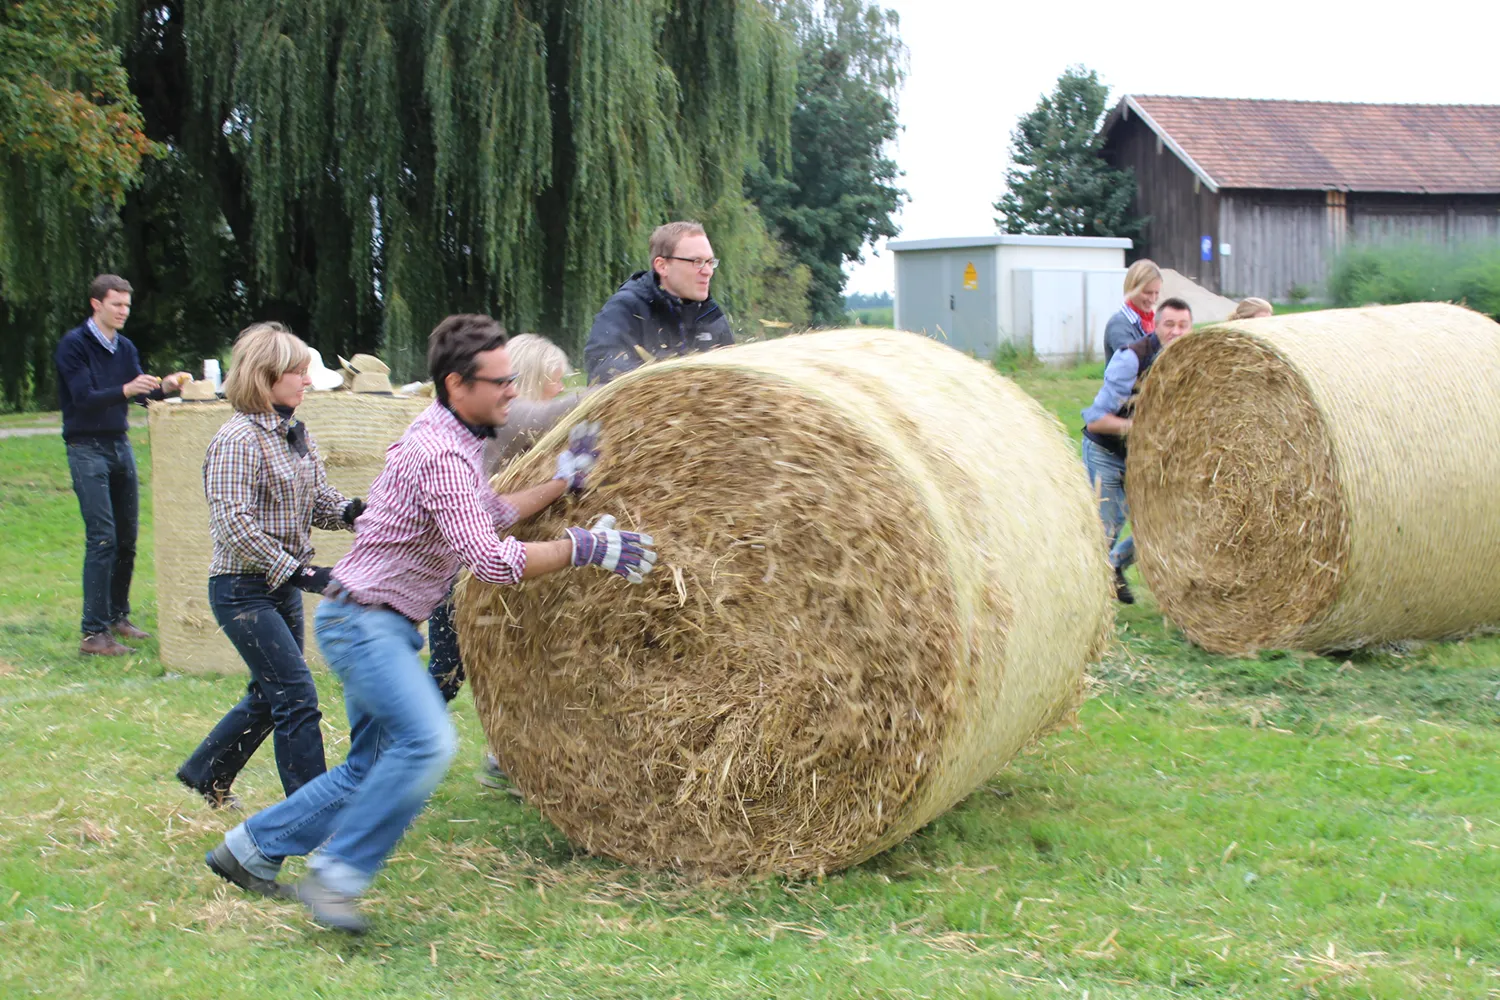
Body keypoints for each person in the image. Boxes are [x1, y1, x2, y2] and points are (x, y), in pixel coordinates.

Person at [206, 314, 656, 933]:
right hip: (364, 624)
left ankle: (249, 848)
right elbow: (491, 561)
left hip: (373, 621)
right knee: (429, 742)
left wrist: (559, 484)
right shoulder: (442, 451)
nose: (511, 393)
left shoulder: (455, 442)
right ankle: (337, 875)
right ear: (456, 384)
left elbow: (490, 512)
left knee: (369, 765)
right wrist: (585, 548)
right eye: (499, 382)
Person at [176, 323, 364, 810]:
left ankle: (205, 773)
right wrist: (304, 574)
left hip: (278, 587)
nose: (307, 381)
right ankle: (313, 811)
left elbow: (317, 500)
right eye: (299, 373)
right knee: (296, 696)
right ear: (266, 377)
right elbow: (234, 526)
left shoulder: (295, 432)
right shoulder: (236, 440)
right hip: (241, 591)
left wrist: (352, 512)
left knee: (270, 694)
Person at [425, 332, 592, 792]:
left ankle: (506, 758)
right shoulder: (511, 419)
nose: (560, 389)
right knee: (448, 668)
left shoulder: (505, 425)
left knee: (516, 661)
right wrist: (639, 384)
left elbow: (506, 506)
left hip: (492, 567)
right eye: (556, 381)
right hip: (463, 572)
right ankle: (385, 754)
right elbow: (554, 414)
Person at [55, 274, 193, 656]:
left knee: (127, 540)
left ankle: (118, 617)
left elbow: (140, 397)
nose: (123, 312)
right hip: (86, 448)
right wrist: (125, 390)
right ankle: (92, 635)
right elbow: (82, 398)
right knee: (102, 537)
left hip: (119, 445)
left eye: (127, 306)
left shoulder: (126, 347)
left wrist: (163, 387)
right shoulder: (74, 345)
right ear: (96, 304)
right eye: (116, 304)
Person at [1082, 296, 1194, 604]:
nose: (1176, 332)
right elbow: (1096, 420)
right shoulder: (1131, 359)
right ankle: (1086, 602)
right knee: (1105, 530)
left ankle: (1115, 565)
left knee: (1160, 526)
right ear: (1155, 326)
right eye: (1169, 325)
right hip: (1106, 452)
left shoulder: (1191, 362)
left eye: (1183, 325)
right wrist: (1140, 429)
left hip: (1142, 458)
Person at [583, 220, 734, 383]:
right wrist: (674, 385)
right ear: (662, 266)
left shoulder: (711, 315)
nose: (708, 272)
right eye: (697, 262)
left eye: (710, 262)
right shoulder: (625, 309)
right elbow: (603, 372)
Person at [1103, 259, 1163, 357]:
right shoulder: (1119, 324)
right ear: (1132, 289)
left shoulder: (1154, 322)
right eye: (1147, 292)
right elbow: (1132, 361)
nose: (1152, 299)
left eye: (1156, 293)